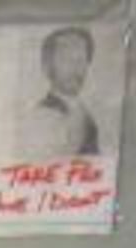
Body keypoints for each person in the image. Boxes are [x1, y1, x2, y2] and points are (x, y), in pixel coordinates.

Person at [26, 25, 99, 158]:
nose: (76, 68)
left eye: (81, 60)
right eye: (66, 60)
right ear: (47, 66)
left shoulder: (84, 111)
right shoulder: (42, 115)